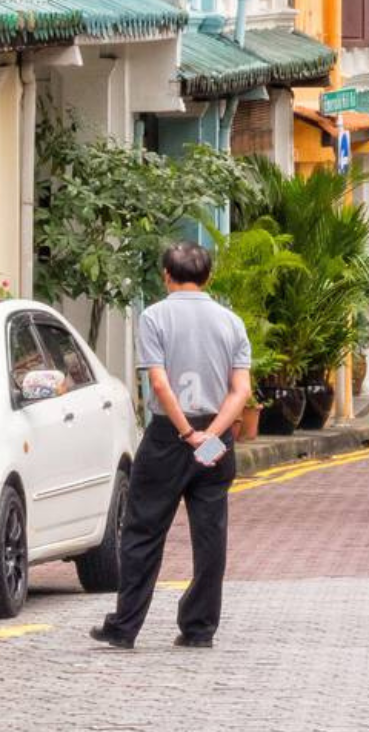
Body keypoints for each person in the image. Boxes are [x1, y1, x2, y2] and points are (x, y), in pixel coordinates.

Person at [92, 242, 251, 651]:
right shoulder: (231, 322)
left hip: (169, 435)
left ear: (166, 275)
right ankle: (199, 628)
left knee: (143, 530)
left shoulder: (154, 316)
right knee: (211, 535)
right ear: (208, 277)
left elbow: (159, 383)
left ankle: (125, 626)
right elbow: (241, 390)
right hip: (215, 437)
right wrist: (210, 434)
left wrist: (185, 433)